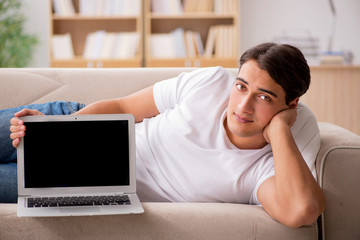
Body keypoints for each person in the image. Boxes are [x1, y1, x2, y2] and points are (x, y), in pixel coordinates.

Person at [4, 42, 325, 228]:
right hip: (78, 125)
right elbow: (122, 105)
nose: (243, 105)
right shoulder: (211, 83)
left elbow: (303, 210)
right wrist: (56, 130)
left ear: (291, 104)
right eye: (241, 86)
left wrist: (280, 130)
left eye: (264, 97)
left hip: (91, 179)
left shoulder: (262, 169)